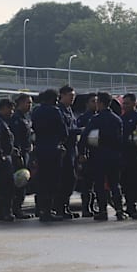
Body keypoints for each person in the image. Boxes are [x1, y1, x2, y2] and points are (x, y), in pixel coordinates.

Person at [81, 92, 125, 221]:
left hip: (98, 156)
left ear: (100, 103)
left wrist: (81, 152)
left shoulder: (96, 119)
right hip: (114, 156)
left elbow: (85, 136)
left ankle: (102, 211)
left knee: (99, 184)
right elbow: (120, 140)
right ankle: (119, 211)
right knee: (115, 184)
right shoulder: (117, 119)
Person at [31, 89, 69, 222]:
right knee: (53, 180)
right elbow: (64, 131)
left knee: (42, 180)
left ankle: (40, 208)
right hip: (53, 149)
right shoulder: (55, 111)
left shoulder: (36, 112)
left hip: (40, 149)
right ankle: (48, 209)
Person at [8, 93, 34, 219]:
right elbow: (15, 138)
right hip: (19, 154)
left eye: (30, 103)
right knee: (19, 181)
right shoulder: (16, 119)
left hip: (27, 152)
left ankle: (18, 207)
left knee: (24, 182)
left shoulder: (26, 117)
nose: (29, 105)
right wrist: (17, 153)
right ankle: (15, 208)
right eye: (27, 103)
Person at [57, 85, 81, 219]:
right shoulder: (59, 111)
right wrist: (79, 131)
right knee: (66, 178)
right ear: (63, 96)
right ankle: (60, 207)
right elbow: (65, 131)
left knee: (72, 179)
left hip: (73, 148)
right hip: (65, 149)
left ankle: (65, 206)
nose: (72, 99)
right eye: (70, 96)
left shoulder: (69, 110)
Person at [120, 93, 137, 218]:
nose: (125, 106)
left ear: (134, 104)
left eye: (127, 103)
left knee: (136, 182)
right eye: (123, 103)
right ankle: (129, 205)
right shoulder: (122, 118)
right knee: (126, 182)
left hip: (135, 155)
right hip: (124, 155)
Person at [75, 94, 98, 217]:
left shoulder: (99, 117)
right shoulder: (84, 118)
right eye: (93, 101)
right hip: (87, 153)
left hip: (98, 153)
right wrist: (82, 153)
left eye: (97, 101)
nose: (95, 103)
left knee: (96, 183)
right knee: (87, 183)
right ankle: (86, 207)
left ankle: (93, 206)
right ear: (87, 104)